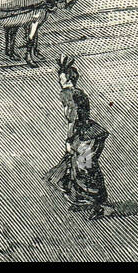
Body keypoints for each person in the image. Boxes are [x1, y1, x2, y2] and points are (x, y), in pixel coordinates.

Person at [66, 92, 112, 219]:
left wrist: (70, 142)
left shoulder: (75, 106)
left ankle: (101, 206)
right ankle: (83, 200)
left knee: (85, 169)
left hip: (89, 137)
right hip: (86, 137)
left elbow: (75, 123)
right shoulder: (75, 102)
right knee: (79, 167)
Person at [45, 55, 86, 195]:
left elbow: (73, 119)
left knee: (79, 166)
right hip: (83, 132)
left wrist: (69, 140)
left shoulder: (68, 94)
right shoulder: (78, 93)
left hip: (81, 134)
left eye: (61, 78)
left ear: (68, 79)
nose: (59, 81)